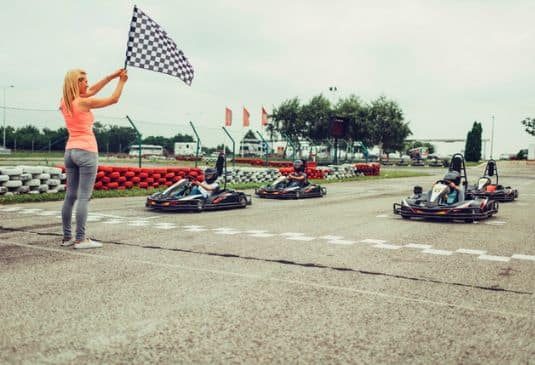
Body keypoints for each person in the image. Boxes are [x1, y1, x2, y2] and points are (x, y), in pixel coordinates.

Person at [60, 68, 128, 249]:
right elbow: (113, 99)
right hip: (86, 151)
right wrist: (122, 82)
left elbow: (92, 90)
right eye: (83, 80)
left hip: (70, 152)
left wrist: (112, 76)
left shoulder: (65, 102)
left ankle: (67, 238)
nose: (87, 83)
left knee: (70, 196)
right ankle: (81, 239)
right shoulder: (83, 102)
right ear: (75, 83)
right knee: (84, 197)